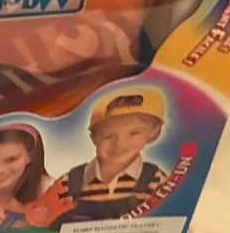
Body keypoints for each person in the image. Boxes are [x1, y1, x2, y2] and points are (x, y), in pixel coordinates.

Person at [40, 89, 167, 225]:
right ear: (93, 138)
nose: (119, 143)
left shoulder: (157, 181)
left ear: (152, 133)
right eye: (108, 136)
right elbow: (43, 222)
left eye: (134, 133)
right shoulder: (68, 183)